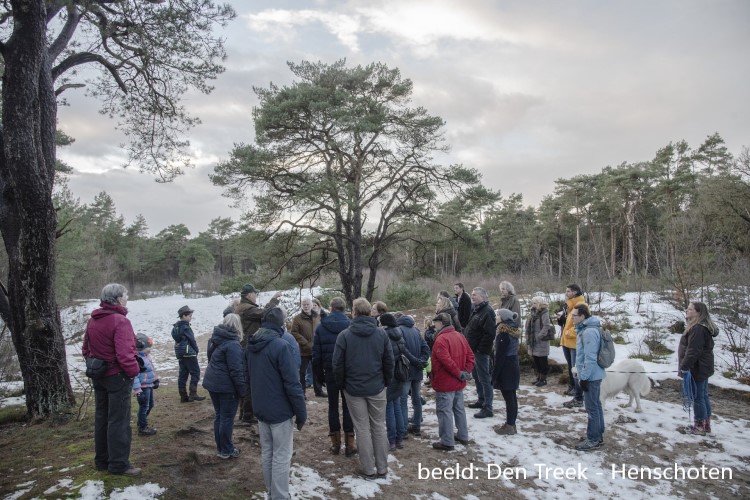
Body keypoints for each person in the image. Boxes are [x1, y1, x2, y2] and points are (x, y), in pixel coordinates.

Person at [246, 307, 307, 499]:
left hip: (262, 407)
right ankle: (279, 496)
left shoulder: (251, 345)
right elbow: (292, 383)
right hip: (278, 410)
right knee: (281, 455)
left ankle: (273, 492)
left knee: (268, 452)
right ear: (280, 324)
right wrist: (301, 412)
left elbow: (248, 379)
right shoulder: (280, 346)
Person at [81, 283, 141, 476]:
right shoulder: (120, 321)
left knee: (102, 417)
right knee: (119, 421)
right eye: (125, 295)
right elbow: (125, 354)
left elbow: (85, 350)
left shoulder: (93, 320)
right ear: (117, 299)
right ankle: (118, 465)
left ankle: (102, 461)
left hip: (99, 376)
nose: (127, 298)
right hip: (117, 377)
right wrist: (133, 372)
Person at [332, 297, 394, 480]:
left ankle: (369, 469)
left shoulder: (345, 335)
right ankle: (382, 468)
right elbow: (389, 361)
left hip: (355, 389)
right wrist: (385, 382)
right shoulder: (381, 334)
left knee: (363, 428)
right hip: (375, 387)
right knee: (378, 426)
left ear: (355, 312)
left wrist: (342, 385)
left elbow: (337, 365)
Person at [312, 297, 357, 456]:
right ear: (343, 308)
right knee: (347, 407)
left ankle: (336, 443)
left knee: (332, 406)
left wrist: (319, 376)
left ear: (331, 308)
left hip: (330, 371)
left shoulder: (321, 327)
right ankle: (350, 445)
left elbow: (316, 355)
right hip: (347, 373)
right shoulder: (351, 326)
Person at [235, 283, 281, 424]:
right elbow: (265, 313)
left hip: (245, 346)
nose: (256, 296)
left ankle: (244, 413)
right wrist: (274, 300)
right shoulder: (247, 309)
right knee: (250, 380)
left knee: (248, 379)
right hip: (248, 348)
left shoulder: (243, 307)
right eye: (254, 294)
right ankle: (248, 414)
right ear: (249, 295)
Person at [202, 313, 246, 459]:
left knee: (220, 416)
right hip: (225, 386)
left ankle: (221, 447)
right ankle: (226, 449)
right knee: (226, 417)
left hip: (213, 382)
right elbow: (236, 370)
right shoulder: (233, 344)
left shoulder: (215, 339)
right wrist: (242, 391)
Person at [430, 312, 474, 451]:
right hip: (457, 382)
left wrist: (460, 373)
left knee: (445, 411)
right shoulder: (460, 336)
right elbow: (470, 356)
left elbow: (446, 361)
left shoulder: (441, 339)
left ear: (441, 323)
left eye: (435, 322)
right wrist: (465, 372)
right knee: (459, 409)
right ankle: (463, 435)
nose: (434, 325)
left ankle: (447, 441)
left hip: (446, 382)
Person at [678, 301, 719, 436]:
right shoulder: (699, 327)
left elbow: (693, 351)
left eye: (690, 309)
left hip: (698, 368)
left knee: (698, 397)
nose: (687, 311)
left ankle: (700, 425)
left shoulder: (697, 329)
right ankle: (705, 424)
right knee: (702, 395)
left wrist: (684, 367)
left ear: (698, 312)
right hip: (703, 367)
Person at [571, 303, 606, 451]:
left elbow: (590, 357)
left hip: (591, 375)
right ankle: (597, 434)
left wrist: (583, 377)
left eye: (574, 316)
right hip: (593, 374)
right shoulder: (587, 329)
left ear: (583, 316)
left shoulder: (589, 332)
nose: (572, 318)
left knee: (592, 407)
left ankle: (593, 439)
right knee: (596, 406)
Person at [463, 287, 496, 418]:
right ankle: (481, 399)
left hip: (481, 352)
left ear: (482, 296)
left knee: (484, 378)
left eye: (474, 295)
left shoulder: (487, 312)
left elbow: (490, 334)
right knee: (477, 376)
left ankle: (488, 407)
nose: (472, 297)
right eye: (472, 294)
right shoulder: (476, 310)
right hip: (473, 351)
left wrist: (480, 349)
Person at [380, 313, 410, 451]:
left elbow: (385, 358)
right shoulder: (399, 334)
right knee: (397, 406)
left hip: (390, 375)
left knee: (389, 409)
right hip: (399, 374)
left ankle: (391, 440)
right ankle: (399, 438)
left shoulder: (385, 336)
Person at [397, 313, 430, 437]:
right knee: (416, 398)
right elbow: (426, 349)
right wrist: (420, 361)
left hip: (406, 370)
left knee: (403, 400)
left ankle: (404, 428)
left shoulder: (399, 330)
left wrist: (416, 361)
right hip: (417, 369)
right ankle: (417, 426)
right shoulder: (416, 330)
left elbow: (403, 349)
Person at [492, 309, 522, 435]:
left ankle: (510, 425)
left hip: (506, 368)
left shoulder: (503, 333)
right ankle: (511, 423)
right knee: (512, 397)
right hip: (513, 365)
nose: (496, 316)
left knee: (509, 397)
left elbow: (500, 356)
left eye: (498, 315)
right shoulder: (511, 331)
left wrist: (494, 375)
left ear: (503, 318)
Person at [291, 297, 326, 398]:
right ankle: (302, 392)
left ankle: (318, 391)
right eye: (304, 304)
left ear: (311, 305)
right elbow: (294, 332)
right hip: (303, 350)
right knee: (302, 372)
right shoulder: (297, 318)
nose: (306, 306)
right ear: (302, 306)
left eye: (307, 304)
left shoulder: (317, 317)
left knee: (317, 370)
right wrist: (305, 343)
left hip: (316, 350)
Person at [171, 305, 205, 402]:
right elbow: (192, 340)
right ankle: (193, 393)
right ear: (184, 316)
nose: (191, 318)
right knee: (196, 372)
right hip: (188, 352)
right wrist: (196, 350)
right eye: (190, 316)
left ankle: (183, 396)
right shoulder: (186, 327)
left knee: (183, 374)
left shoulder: (175, 327)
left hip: (180, 352)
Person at [560, 284, 586, 408]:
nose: (566, 293)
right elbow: (569, 322)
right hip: (567, 342)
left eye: (568, 291)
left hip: (574, 343)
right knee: (571, 368)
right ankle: (573, 388)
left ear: (575, 292)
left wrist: (567, 333)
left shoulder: (581, 305)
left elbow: (581, 326)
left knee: (576, 370)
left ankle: (579, 396)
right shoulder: (570, 305)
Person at [132, 333, 159, 436]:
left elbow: (152, 369)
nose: (149, 350)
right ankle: (142, 428)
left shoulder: (147, 356)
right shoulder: (137, 359)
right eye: (148, 348)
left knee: (150, 405)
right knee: (144, 406)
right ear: (139, 348)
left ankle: (141, 421)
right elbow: (134, 376)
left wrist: (155, 380)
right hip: (143, 387)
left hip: (149, 385)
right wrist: (138, 391)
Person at [525, 296, 554, 387]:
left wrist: (539, 336)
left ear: (539, 303)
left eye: (534, 303)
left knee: (542, 361)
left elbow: (546, 326)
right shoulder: (532, 313)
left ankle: (543, 379)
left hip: (541, 341)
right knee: (536, 360)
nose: (532, 304)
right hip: (533, 340)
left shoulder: (544, 312)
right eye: (532, 303)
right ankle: (538, 378)